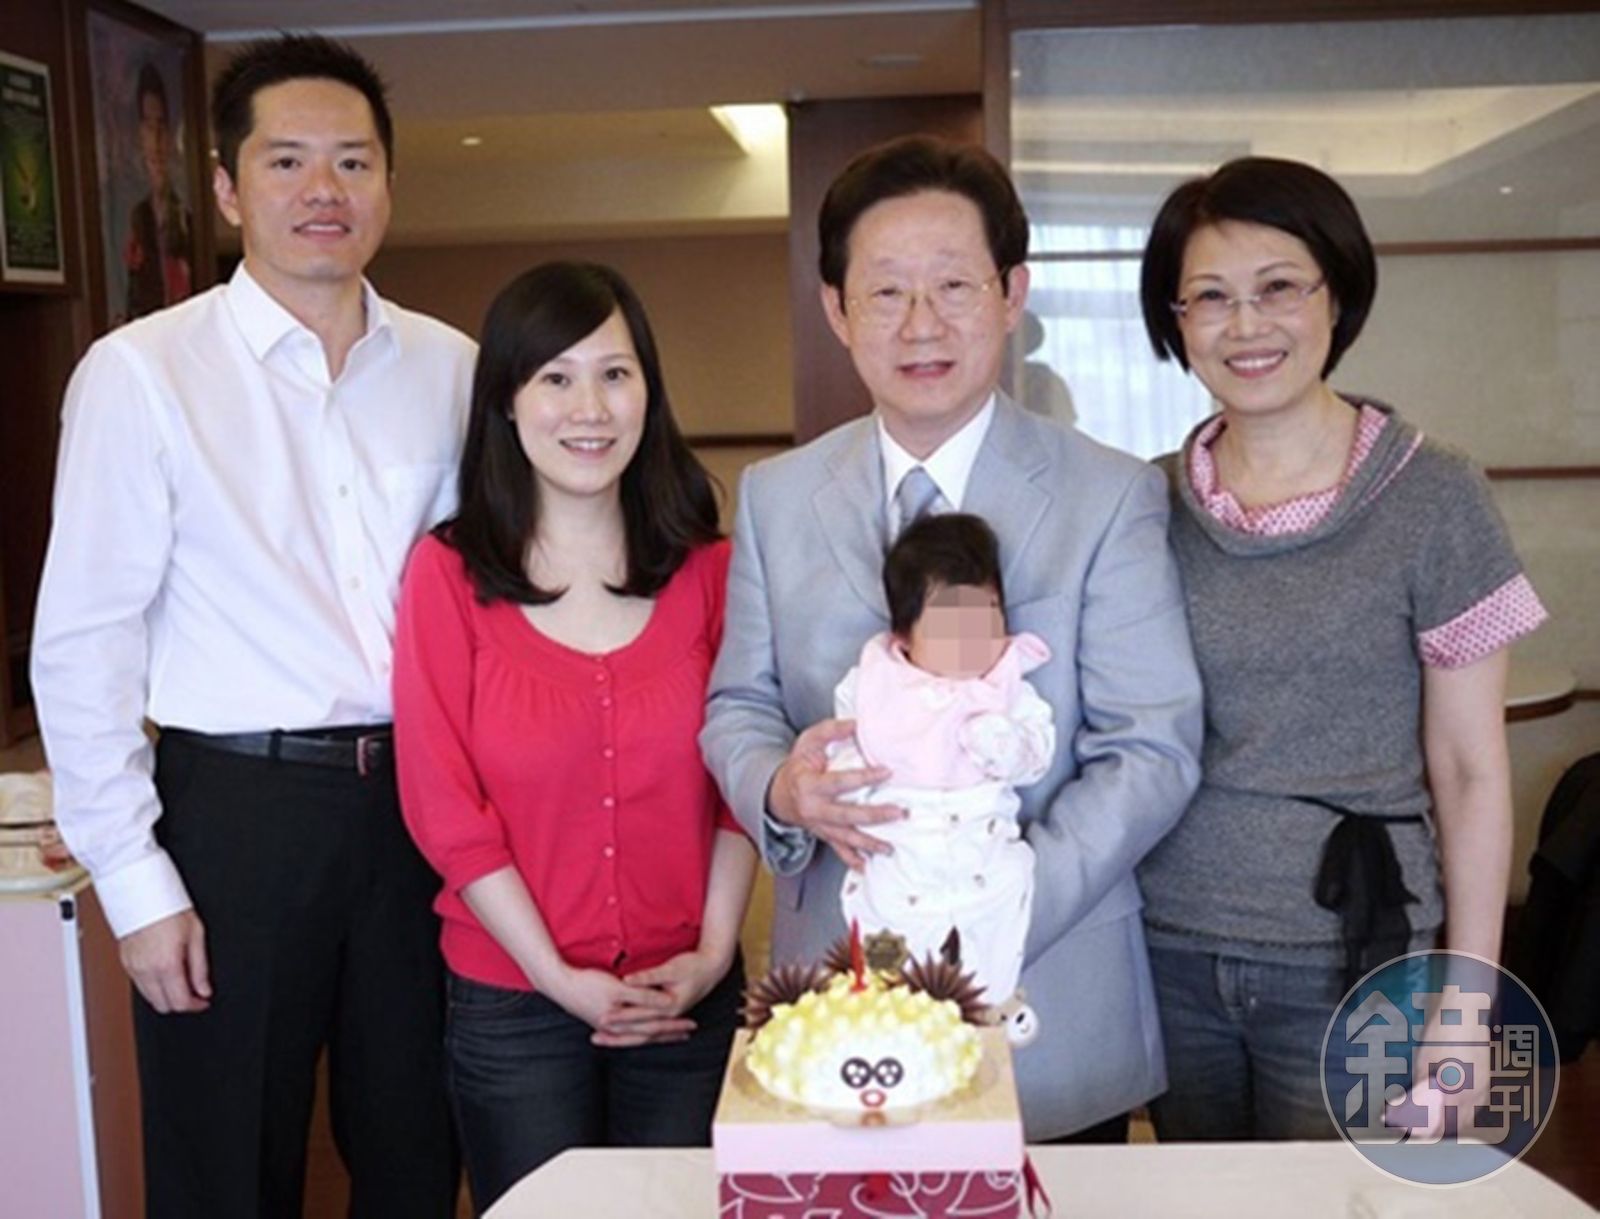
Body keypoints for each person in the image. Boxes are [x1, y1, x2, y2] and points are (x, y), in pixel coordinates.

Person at [31, 35, 475, 1218]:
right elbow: (84, 641)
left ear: (388, 184)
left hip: (420, 810)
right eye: (287, 161)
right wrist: (135, 880)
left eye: (352, 162)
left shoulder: (454, 369)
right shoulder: (142, 373)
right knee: (223, 1165)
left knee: (418, 1148)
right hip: (235, 814)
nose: (323, 189)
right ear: (228, 190)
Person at [701, 134, 1204, 1142]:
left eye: (954, 286)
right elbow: (738, 705)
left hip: (1042, 975)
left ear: (1012, 293)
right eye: (886, 291)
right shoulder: (775, 496)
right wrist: (779, 788)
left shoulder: (1107, 494)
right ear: (837, 309)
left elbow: (1150, 746)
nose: (921, 323)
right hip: (838, 990)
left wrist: (989, 904)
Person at [1136, 156, 1548, 1141]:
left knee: (1344, 1200)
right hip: (1163, 947)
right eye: (1210, 297)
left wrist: (1467, 1005)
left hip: (1357, 954)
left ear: (1337, 293)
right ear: (1175, 321)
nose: (1246, 325)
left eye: (1279, 286)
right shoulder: (1145, 503)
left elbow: (1469, 768)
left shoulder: (1434, 495)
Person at [393, 261, 756, 1214]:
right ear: (506, 402)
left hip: (687, 995)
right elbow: (442, 804)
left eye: (615, 374)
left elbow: (741, 782)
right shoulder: (446, 574)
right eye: (555, 376)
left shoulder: (712, 570)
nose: (589, 408)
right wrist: (557, 977)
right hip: (513, 1001)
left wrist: (713, 954)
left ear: (649, 392)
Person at [829, 511, 1053, 1013]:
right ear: (903, 635)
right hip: (898, 856)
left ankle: (995, 1006)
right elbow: (844, 744)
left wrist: (1006, 744)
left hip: (981, 851)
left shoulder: (1008, 688)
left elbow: (1036, 755)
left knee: (1002, 915)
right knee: (884, 937)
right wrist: (846, 778)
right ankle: (884, 1010)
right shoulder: (871, 687)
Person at [123, 61, 193, 322]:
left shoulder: (185, 220)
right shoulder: (134, 217)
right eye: (147, 127)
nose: (155, 141)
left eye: (161, 127)